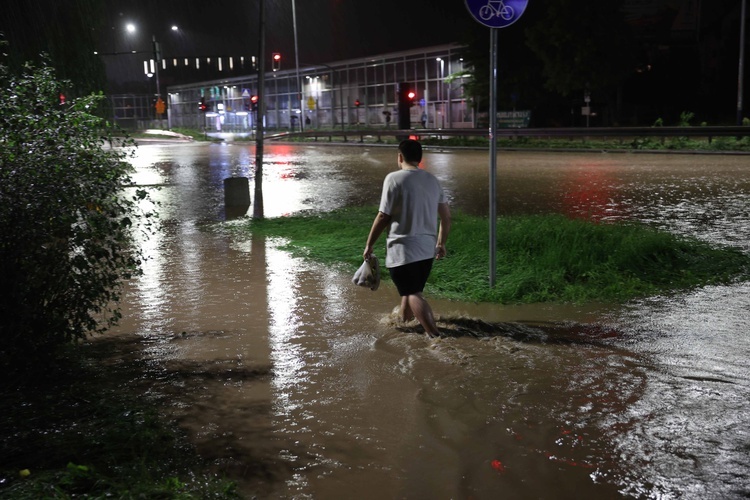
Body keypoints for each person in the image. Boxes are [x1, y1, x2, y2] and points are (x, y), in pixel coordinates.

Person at [363, 139, 451, 338]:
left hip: (402, 250)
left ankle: (436, 336)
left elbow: (383, 216)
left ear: (400, 157)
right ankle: (404, 322)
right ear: (420, 159)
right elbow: (446, 216)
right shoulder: (432, 180)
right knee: (409, 290)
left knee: (412, 293)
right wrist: (441, 242)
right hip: (427, 251)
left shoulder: (393, 179)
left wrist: (369, 244)